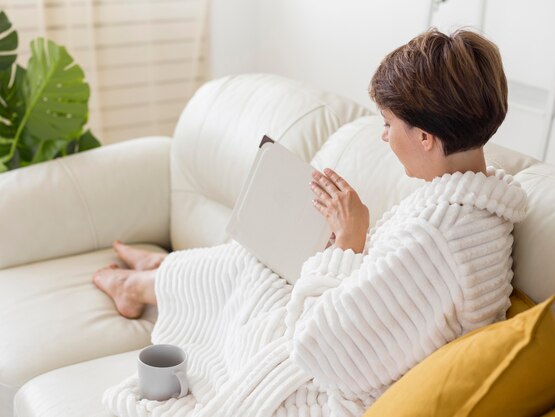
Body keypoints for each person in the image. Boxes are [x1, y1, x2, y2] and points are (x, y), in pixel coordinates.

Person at [94, 28, 528, 417]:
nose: (383, 136)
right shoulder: (479, 209)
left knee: (256, 268)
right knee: (267, 256)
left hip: (324, 393)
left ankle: (140, 285)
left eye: (388, 123)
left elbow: (319, 346)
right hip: (350, 352)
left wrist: (347, 245)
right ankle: (156, 275)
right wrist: (346, 244)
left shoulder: (434, 239)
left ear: (425, 138)